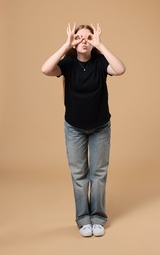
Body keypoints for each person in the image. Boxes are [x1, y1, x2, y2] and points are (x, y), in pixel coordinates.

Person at [41, 23, 126, 237]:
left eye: (88, 37)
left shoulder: (100, 62)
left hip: (100, 127)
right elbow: (45, 69)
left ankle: (97, 217)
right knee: (79, 175)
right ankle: (83, 219)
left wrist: (102, 45)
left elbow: (120, 69)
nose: (84, 41)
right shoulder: (68, 64)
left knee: (98, 174)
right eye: (79, 37)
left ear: (93, 41)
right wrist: (66, 44)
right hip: (74, 129)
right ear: (75, 42)